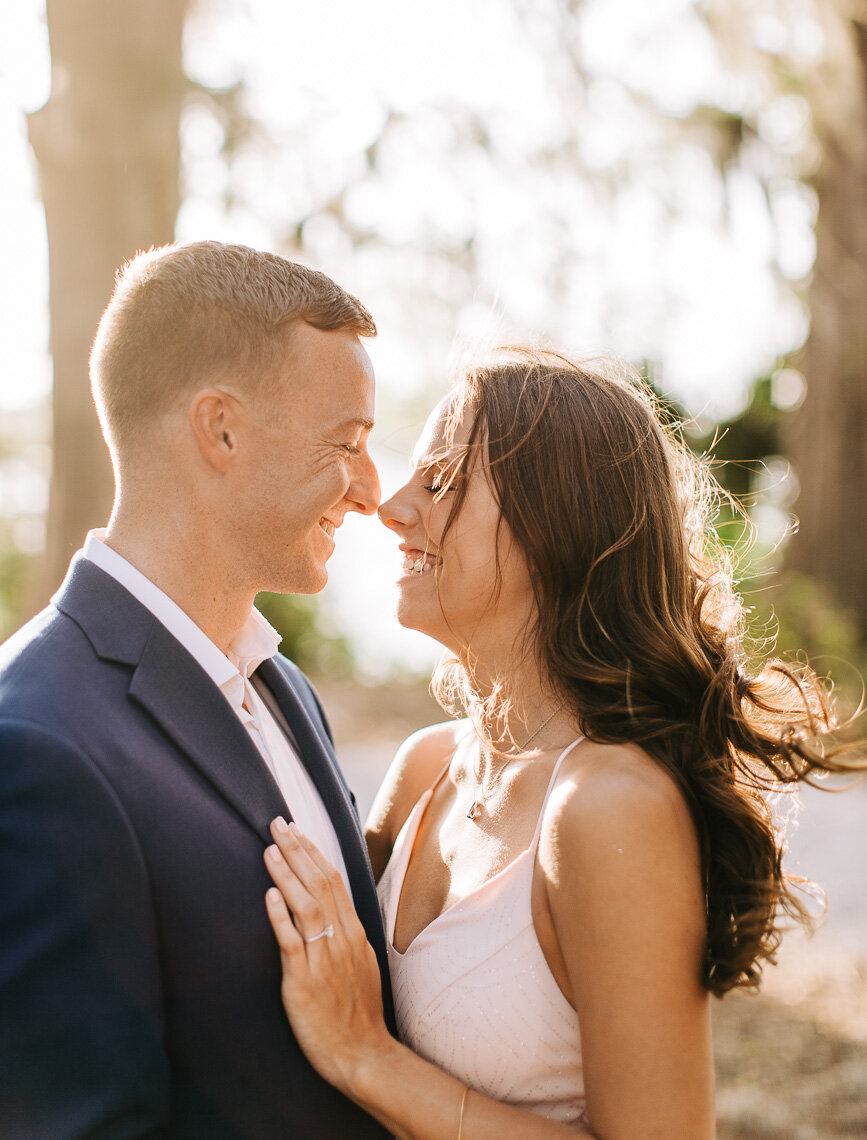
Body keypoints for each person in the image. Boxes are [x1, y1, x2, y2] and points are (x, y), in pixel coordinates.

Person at [260, 347, 862, 1139]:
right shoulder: (426, 769)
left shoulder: (608, 808)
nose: (393, 506)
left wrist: (368, 1057)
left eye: (441, 479)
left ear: (556, 524)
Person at [0, 241, 395, 1139]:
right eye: (347, 443)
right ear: (219, 428)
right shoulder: (34, 746)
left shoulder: (283, 689)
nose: (371, 491)